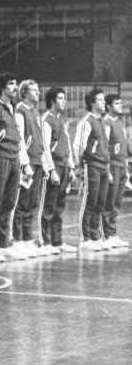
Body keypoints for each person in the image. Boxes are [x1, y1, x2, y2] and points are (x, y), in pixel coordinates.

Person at [0, 73, 31, 261]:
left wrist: (24, 163)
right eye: (11, 84)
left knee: (9, 203)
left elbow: (19, 138)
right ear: (2, 88)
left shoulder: (14, 109)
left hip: (14, 159)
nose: (15, 86)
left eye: (16, 83)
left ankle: (3, 243)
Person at [12, 80, 52, 257]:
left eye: (38, 89)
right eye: (33, 90)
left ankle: (27, 238)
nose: (38, 92)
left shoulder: (35, 112)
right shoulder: (19, 109)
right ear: (24, 92)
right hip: (26, 164)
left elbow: (40, 140)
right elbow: (19, 138)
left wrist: (42, 162)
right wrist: (25, 163)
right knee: (21, 202)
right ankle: (17, 239)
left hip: (37, 162)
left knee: (32, 203)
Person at [74, 89, 112, 251]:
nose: (104, 102)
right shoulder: (86, 121)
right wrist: (80, 166)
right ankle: (85, 238)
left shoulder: (102, 121)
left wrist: (108, 170)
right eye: (100, 100)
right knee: (90, 201)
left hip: (104, 167)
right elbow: (79, 145)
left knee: (100, 203)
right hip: (92, 166)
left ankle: (96, 236)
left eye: (104, 100)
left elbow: (104, 148)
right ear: (92, 103)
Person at [41, 87, 77, 254]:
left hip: (64, 166)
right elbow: (46, 148)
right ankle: (46, 242)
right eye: (61, 98)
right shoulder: (46, 119)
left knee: (59, 207)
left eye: (64, 98)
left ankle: (57, 242)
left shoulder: (62, 120)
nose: (64, 101)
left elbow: (67, 145)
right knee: (49, 205)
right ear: (52, 101)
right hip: (54, 166)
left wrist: (71, 167)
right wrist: (52, 169)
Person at [101, 94, 130, 249]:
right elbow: (104, 148)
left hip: (121, 166)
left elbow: (124, 148)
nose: (120, 106)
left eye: (120, 103)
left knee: (117, 203)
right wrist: (108, 169)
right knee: (109, 202)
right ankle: (107, 234)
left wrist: (126, 169)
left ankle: (113, 233)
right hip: (111, 165)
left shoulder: (120, 123)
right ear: (109, 106)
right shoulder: (106, 123)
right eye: (117, 103)